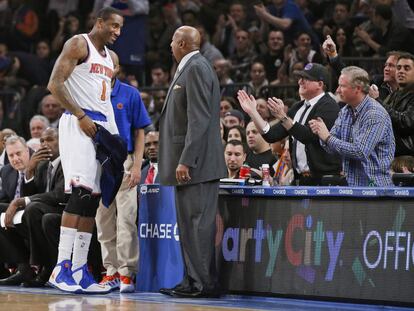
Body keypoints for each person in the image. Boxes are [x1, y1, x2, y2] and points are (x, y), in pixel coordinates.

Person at [46, 7, 124, 294]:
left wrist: (116, 141)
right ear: (100, 22)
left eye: (120, 28)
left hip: (102, 128)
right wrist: (80, 115)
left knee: (93, 200)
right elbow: (54, 84)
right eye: (113, 26)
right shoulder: (79, 43)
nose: (117, 32)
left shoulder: (112, 58)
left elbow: (104, 100)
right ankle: (60, 268)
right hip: (79, 122)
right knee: (79, 194)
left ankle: (80, 270)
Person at [158, 25, 226, 298]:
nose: (170, 46)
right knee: (188, 225)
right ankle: (191, 280)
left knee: (197, 225)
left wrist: (186, 160)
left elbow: (199, 119)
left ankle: (203, 284)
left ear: (184, 44)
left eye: (173, 41)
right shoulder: (191, 67)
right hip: (191, 165)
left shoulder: (196, 68)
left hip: (196, 166)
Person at [96, 52, 151, 293]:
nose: (108, 67)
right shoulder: (91, 92)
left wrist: (138, 165)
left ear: (117, 68)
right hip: (99, 161)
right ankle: (111, 271)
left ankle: (127, 273)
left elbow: (140, 132)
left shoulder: (130, 94)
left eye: (112, 64)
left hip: (126, 161)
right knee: (103, 220)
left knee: (127, 218)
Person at [238, 63, 341, 185]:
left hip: (324, 180)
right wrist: (253, 112)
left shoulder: (329, 106)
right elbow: (271, 135)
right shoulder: (298, 107)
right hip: (300, 179)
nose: (300, 82)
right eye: (300, 78)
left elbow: (307, 136)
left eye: (306, 78)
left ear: (320, 84)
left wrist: (282, 117)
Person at [309, 66, 395, 187]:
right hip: (352, 187)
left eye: (342, 86)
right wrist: (321, 133)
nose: (338, 90)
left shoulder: (374, 113)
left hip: (375, 189)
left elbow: (360, 151)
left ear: (357, 89)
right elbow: (331, 148)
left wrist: (327, 138)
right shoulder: (345, 111)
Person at [382, 53, 414, 156]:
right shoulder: (393, 95)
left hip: (407, 159)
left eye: (407, 68)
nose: (401, 71)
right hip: (390, 155)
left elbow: (406, 123)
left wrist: (378, 102)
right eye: (399, 67)